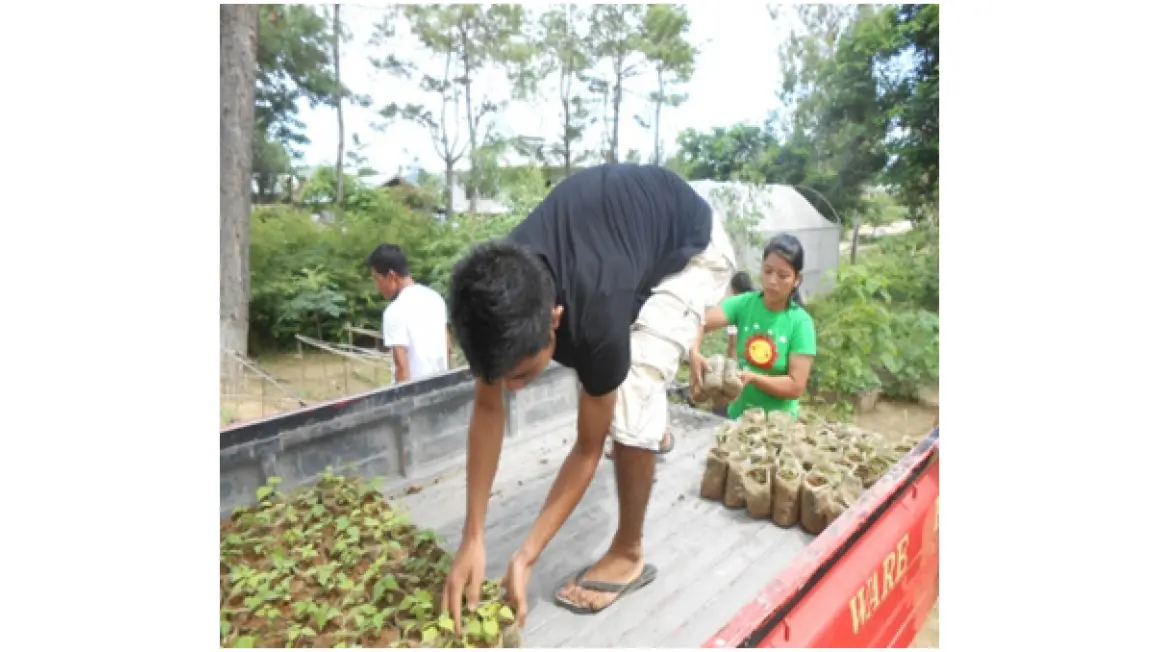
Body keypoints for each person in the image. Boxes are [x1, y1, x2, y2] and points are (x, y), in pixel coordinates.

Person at [442, 164, 735, 628]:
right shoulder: (498, 294)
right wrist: (473, 535)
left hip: (695, 247)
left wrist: (527, 554)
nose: (512, 388)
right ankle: (653, 430)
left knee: (632, 392)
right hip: (629, 233)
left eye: (522, 375)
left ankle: (629, 552)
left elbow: (586, 449)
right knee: (615, 377)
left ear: (555, 319)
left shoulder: (594, 321)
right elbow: (487, 403)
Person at [690, 234, 816, 420]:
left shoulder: (800, 323)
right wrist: (694, 351)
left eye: (782, 276)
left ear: (797, 279)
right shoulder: (744, 304)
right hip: (738, 418)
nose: (772, 281)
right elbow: (698, 323)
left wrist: (754, 378)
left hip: (777, 425)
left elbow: (795, 386)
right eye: (767, 271)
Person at [367, 243, 452, 383]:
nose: (377, 286)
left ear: (391, 276)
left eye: (377, 279)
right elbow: (448, 347)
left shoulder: (394, 311)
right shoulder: (435, 298)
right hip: (441, 386)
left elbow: (401, 368)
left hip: (415, 393)